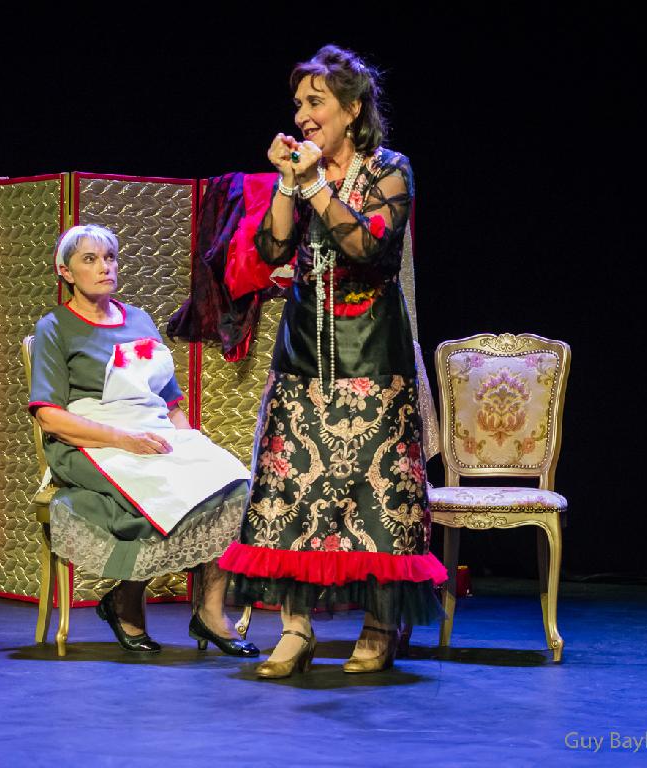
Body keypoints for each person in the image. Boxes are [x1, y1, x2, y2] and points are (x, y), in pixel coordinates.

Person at [218, 46, 448, 677]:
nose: (302, 115)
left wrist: (315, 184)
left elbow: (368, 246)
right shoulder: (302, 173)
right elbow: (272, 249)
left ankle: (379, 627)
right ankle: (296, 629)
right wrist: (287, 184)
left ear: (352, 109)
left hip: (373, 352)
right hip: (304, 352)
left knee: (377, 494)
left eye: (315, 102)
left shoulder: (390, 170)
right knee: (292, 489)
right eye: (298, 104)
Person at [30, 224, 258, 656]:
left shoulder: (139, 319)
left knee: (232, 482)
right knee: (159, 489)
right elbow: (49, 415)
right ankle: (126, 599)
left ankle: (210, 610)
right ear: (66, 272)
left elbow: (170, 402)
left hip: (150, 431)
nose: (104, 267)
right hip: (89, 441)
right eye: (90, 260)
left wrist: (192, 448)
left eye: (110, 258)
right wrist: (123, 439)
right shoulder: (55, 327)